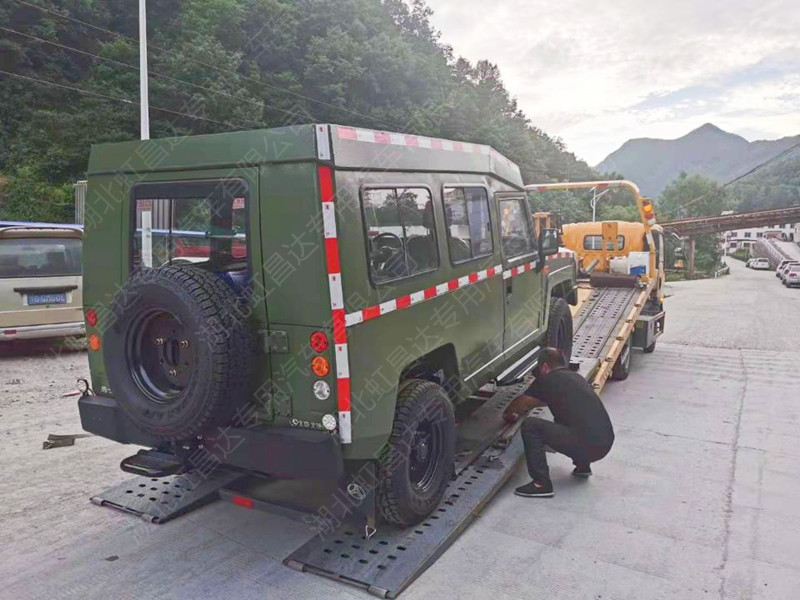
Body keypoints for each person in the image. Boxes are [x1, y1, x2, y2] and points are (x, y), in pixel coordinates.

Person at [503, 347, 615, 498]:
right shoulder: (576, 378)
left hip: (585, 445)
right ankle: (583, 467)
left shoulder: (547, 379)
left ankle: (541, 484)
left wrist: (509, 414)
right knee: (573, 420)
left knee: (530, 425)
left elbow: (522, 404)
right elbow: (545, 400)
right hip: (605, 444)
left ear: (544, 367)